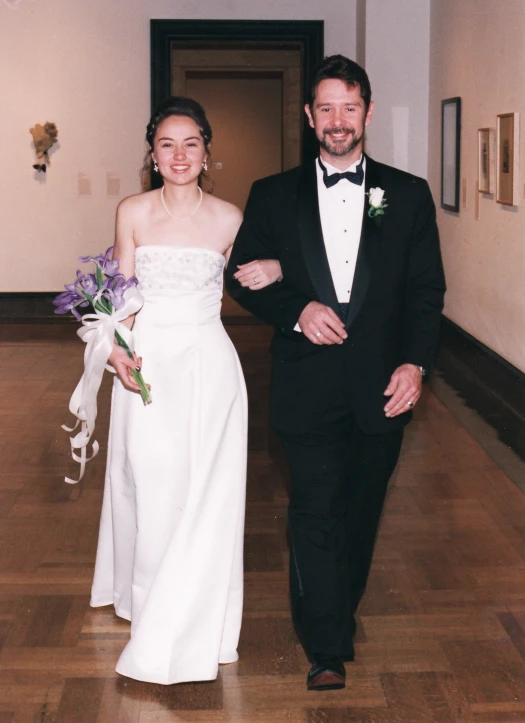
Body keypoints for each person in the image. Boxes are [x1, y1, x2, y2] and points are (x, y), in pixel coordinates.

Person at [226, 55, 446, 691]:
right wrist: (297, 307)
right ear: (308, 116)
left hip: (383, 387)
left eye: (349, 107)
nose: (338, 120)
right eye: (325, 108)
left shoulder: (406, 195)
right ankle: (325, 646)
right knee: (315, 510)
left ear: (368, 113)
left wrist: (416, 363)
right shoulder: (271, 194)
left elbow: (426, 290)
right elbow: (242, 275)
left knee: (360, 513)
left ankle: (334, 612)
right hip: (306, 386)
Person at [90, 96, 282, 685]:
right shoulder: (133, 211)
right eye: (167, 144)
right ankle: (148, 600)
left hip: (207, 366)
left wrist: (277, 269)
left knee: (204, 488)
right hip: (146, 366)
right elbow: (117, 294)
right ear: (152, 152)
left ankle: (202, 610)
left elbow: (259, 279)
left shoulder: (231, 218)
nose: (179, 155)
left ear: (207, 152)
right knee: (148, 482)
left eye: (190, 143)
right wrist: (115, 350)